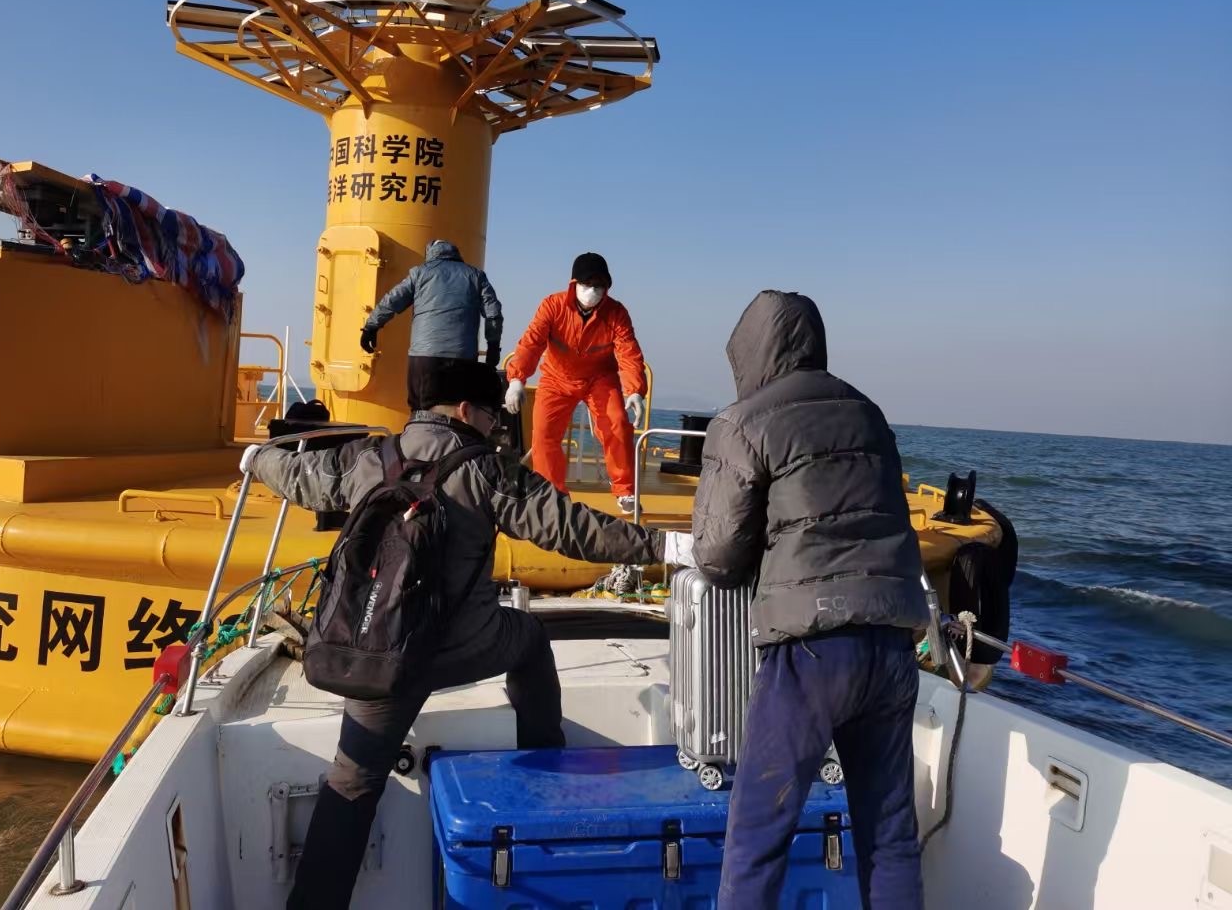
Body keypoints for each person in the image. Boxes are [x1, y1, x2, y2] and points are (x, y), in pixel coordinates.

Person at [240, 359, 695, 910]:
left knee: (352, 781)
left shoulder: (370, 457)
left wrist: (256, 458)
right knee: (529, 638)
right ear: (463, 410)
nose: (495, 426)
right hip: (461, 645)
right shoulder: (484, 470)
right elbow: (570, 527)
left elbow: (301, 476)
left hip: (378, 652)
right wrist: (661, 546)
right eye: (490, 415)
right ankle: (544, 774)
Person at [689, 290, 926, 909]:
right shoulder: (869, 413)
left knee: (756, 837)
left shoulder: (742, 422)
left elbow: (716, 557)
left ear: (750, 353)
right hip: (893, 645)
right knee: (890, 833)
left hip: (812, 652)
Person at [504, 252, 646, 513]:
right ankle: (552, 493)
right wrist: (516, 379)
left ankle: (625, 490)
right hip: (557, 378)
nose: (593, 291)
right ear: (574, 283)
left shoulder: (617, 313)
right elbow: (531, 342)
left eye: (599, 286)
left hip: (600, 378)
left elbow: (629, 352)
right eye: (587, 284)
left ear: (607, 288)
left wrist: (635, 391)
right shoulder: (552, 306)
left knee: (617, 423)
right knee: (544, 433)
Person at [359, 239, 503, 410]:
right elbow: (493, 313)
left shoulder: (420, 273)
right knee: (457, 412)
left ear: (430, 253)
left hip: (425, 357)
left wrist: (371, 327)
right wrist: (493, 347)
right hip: (463, 357)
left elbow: (392, 301)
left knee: (421, 410)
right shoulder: (475, 276)